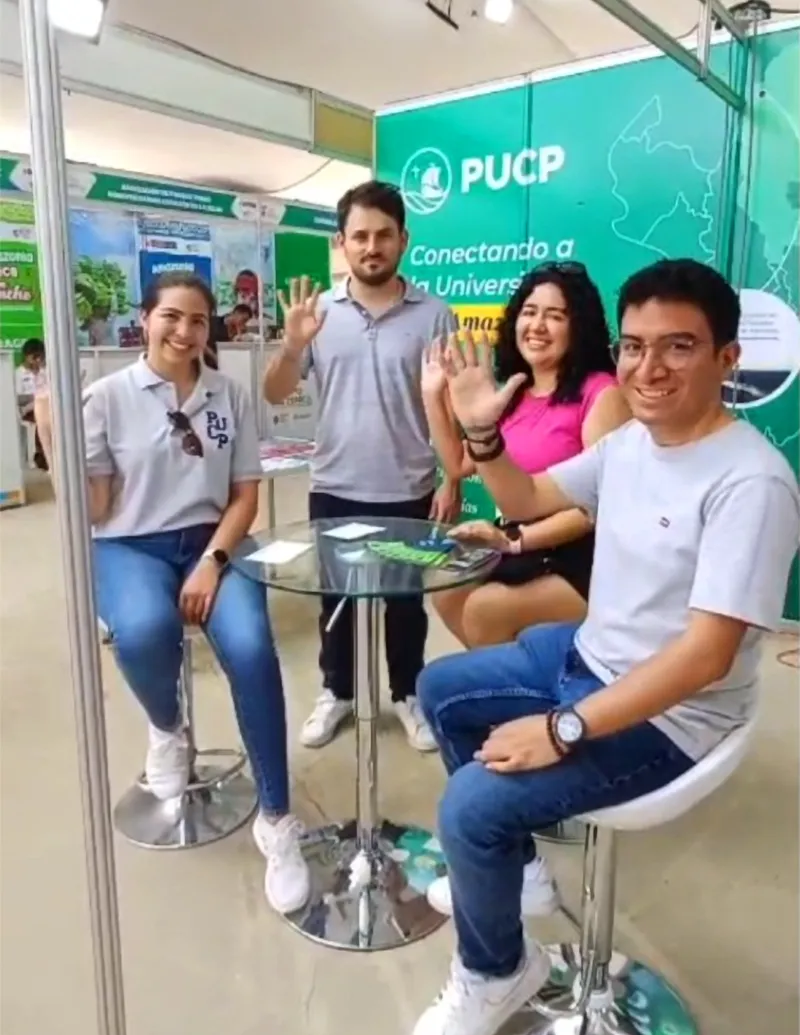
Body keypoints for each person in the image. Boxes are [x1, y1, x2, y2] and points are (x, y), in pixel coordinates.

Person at [410, 258, 800, 1035]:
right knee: (442, 689)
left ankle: (497, 969)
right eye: (634, 346)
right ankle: (521, 878)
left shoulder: (752, 482)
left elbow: (704, 656)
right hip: (588, 656)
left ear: (728, 359)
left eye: (679, 347)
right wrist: (481, 433)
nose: (649, 368)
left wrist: (563, 727)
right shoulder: (630, 443)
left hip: (671, 716)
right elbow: (526, 502)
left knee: (470, 809)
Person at [82, 270, 309, 915]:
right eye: (171, 317)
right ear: (146, 318)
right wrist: (53, 431)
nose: (184, 332)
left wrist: (212, 560)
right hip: (129, 543)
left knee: (252, 648)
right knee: (147, 629)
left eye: (198, 322)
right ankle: (167, 727)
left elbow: (244, 495)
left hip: (216, 540)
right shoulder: (106, 397)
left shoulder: (228, 395)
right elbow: (98, 509)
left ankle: (276, 817)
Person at [263, 180, 461, 753]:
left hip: (410, 486)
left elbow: (447, 402)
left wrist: (451, 479)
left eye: (383, 235)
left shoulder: (434, 314)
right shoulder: (318, 313)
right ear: (342, 243)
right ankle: (338, 692)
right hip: (335, 485)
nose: (371, 246)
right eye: (359, 236)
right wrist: (293, 346)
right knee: (338, 602)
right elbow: (276, 393)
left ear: (404, 239)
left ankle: (408, 693)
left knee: (405, 604)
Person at [423, 263, 630, 648]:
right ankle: (510, 681)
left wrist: (514, 538)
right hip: (523, 544)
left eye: (555, 316)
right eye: (530, 312)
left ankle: (509, 690)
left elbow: (596, 509)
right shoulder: (514, 393)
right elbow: (457, 464)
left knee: (486, 608)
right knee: (447, 589)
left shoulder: (601, 392)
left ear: (578, 326)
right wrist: (432, 393)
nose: (537, 325)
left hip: (585, 556)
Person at [19, 338, 53, 472]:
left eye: (40, 357)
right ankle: (43, 459)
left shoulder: (46, 372)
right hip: (28, 411)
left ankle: (52, 458)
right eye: (35, 357)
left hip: (46, 407)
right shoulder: (19, 374)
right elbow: (18, 398)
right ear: (27, 356)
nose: (38, 361)